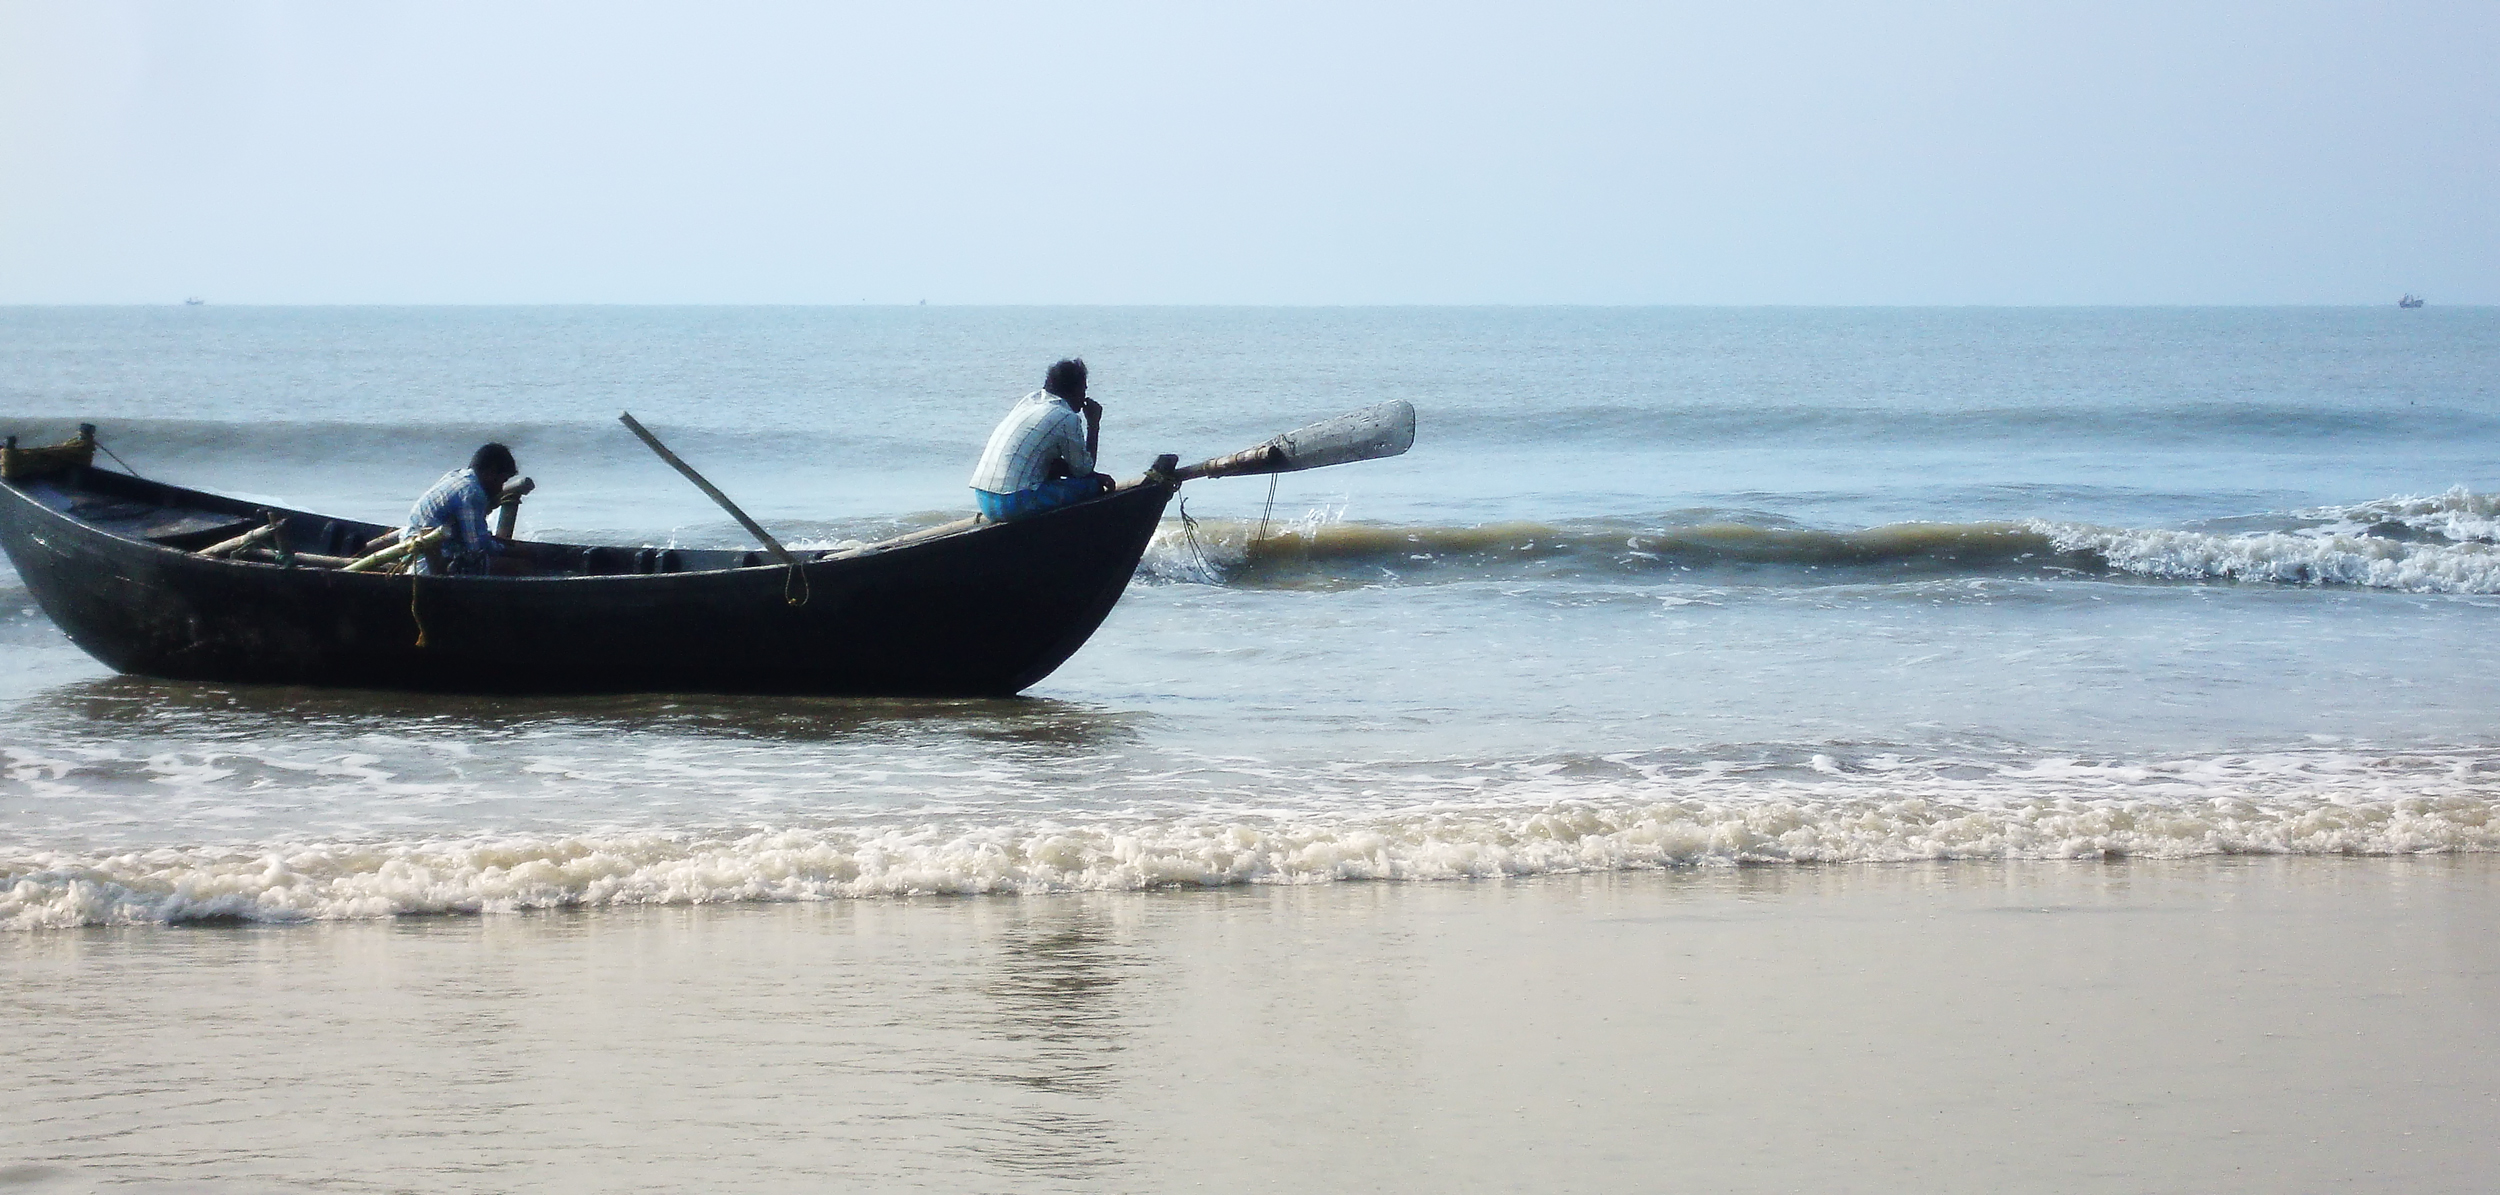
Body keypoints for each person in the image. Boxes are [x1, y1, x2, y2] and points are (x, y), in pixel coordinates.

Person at [969, 358, 1114, 521]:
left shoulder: (1030, 401)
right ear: (1074, 390)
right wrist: (1093, 425)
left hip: (985, 500)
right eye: (1083, 390)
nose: (1084, 397)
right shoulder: (1066, 417)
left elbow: (1055, 465)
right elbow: (1083, 470)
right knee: (1093, 487)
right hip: (1013, 502)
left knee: (1053, 470)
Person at [404, 443, 520, 575]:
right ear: (490, 472)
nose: (500, 487)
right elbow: (475, 548)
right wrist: (511, 550)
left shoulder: (456, 476)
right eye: (502, 480)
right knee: (519, 568)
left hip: (413, 551)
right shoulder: (471, 493)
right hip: (430, 564)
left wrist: (497, 543)